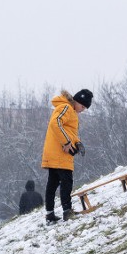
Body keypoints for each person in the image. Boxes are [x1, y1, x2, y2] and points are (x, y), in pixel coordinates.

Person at [42, 88, 92, 223]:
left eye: (85, 108)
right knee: (66, 182)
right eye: (82, 106)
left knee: (53, 183)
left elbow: (70, 131)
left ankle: (50, 214)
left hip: (57, 152)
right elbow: (55, 123)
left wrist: (78, 143)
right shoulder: (66, 107)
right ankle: (67, 211)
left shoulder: (71, 111)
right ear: (76, 101)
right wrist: (66, 142)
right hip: (60, 152)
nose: (83, 109)